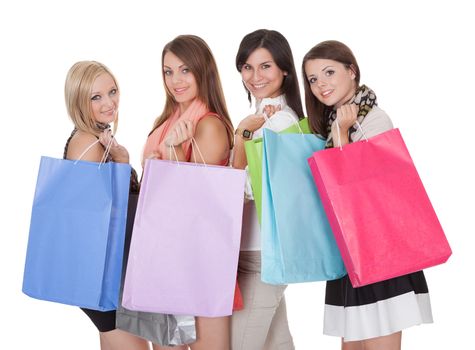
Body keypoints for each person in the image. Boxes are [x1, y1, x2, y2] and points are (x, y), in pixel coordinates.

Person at [302, 40, 433, 350]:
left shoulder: (373, 120)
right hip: (352, 254)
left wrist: (342, 135)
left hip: (381, 254)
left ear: (352, 71)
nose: (321, 84)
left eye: (329, 72)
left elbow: (356, 192)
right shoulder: (334, 122)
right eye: (313, 79)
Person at [142, 35, 235, 350]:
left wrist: (173, 157)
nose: (175, 80)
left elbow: (193, 204)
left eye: (184, 70)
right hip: (163, 257)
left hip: (201, 263)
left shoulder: (209, 126)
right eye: (168, 71)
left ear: (202, 71)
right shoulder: (164, 125)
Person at [63, 61, 149, 350]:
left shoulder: (96, 139)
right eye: (96, 97)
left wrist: (122, 162)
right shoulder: (89, 143)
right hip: (101, 277)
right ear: (78, 101)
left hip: (102, 274)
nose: (109, 102)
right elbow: (97, 220)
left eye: (112, 92)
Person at [231, 29, 303, 350]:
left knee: (239, 343)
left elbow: (249, 188)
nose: (255, 76)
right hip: (255, 252)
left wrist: (241, 137)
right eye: (247, 67)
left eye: (265, 66)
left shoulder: (279, 121)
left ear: (284, 69)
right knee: (277, 343)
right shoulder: (263, 117)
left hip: (263, 256)